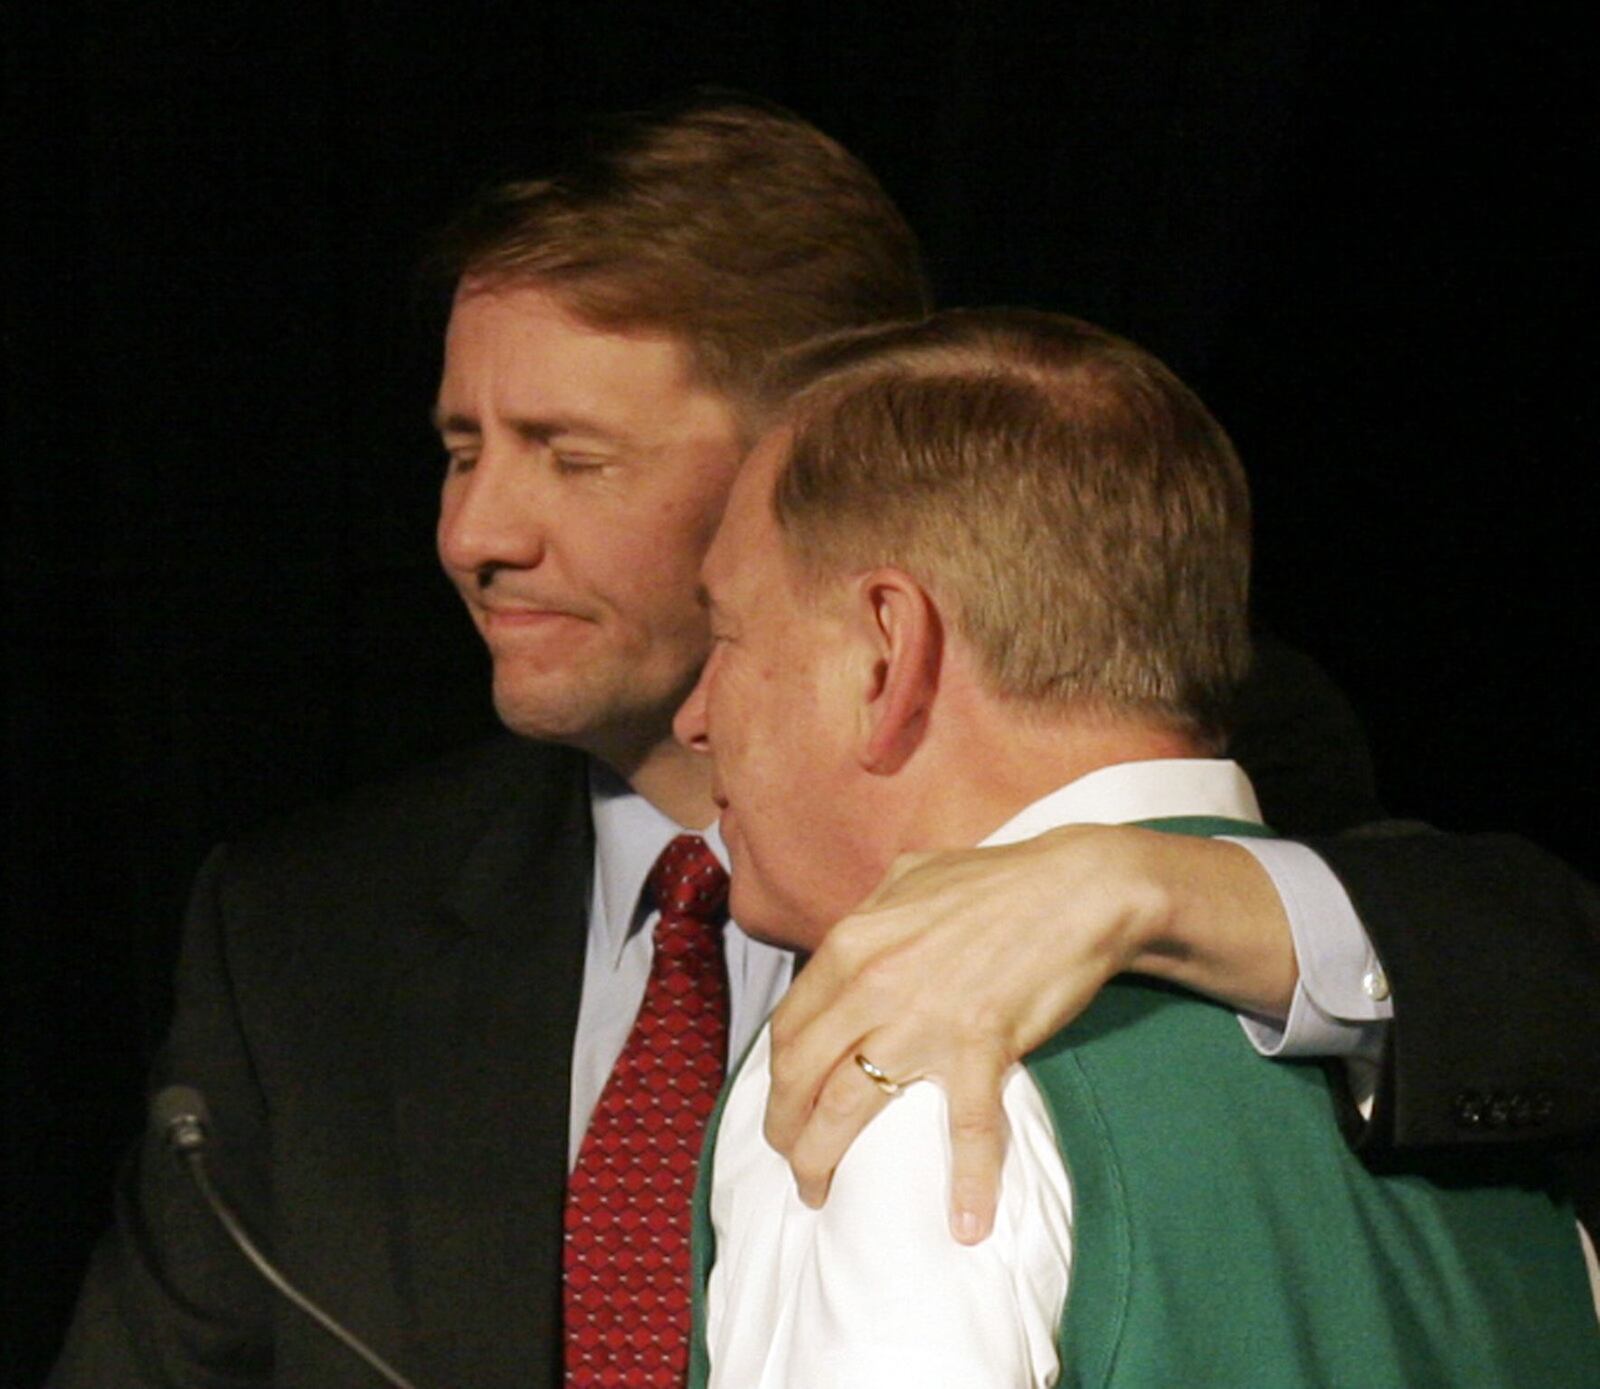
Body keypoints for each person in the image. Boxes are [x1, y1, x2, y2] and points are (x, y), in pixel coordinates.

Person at [48, 96, 1598, 1389]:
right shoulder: (299, 932)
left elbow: (1533, 973)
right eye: (459, 448)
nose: (474, 534)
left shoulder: (1178, 765)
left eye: (568, 455)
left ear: (809, 453)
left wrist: (1148, 888)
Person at [679, 308, 1599, 1387]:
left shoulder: (903, 1067)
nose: (695, 714)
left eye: (726, 635)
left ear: (887, 654)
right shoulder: (1507, 1138)